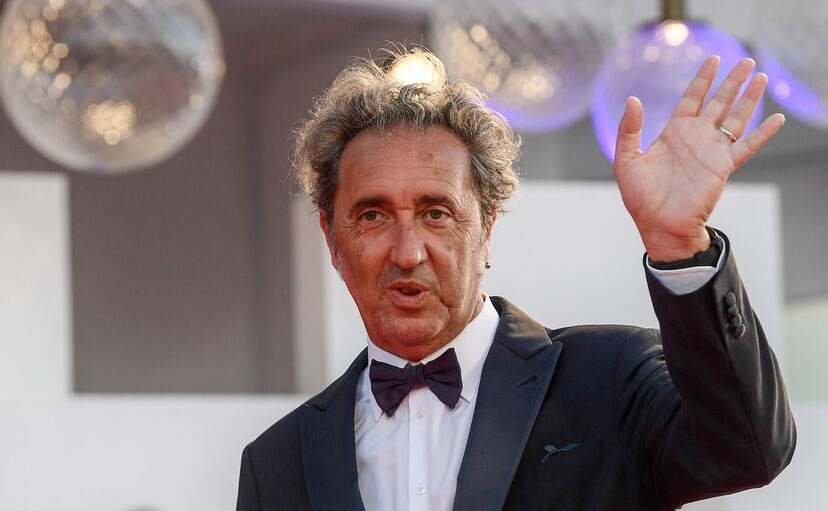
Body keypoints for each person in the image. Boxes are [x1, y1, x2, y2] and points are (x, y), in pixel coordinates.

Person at [236, 47, 795, 510]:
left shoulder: (608, 379)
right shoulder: (278, 462)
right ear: (332, 236)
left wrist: (679, 247)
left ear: (487, 227)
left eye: (437, 213)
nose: (407, 253)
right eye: (373, 216)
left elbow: (746, 451)